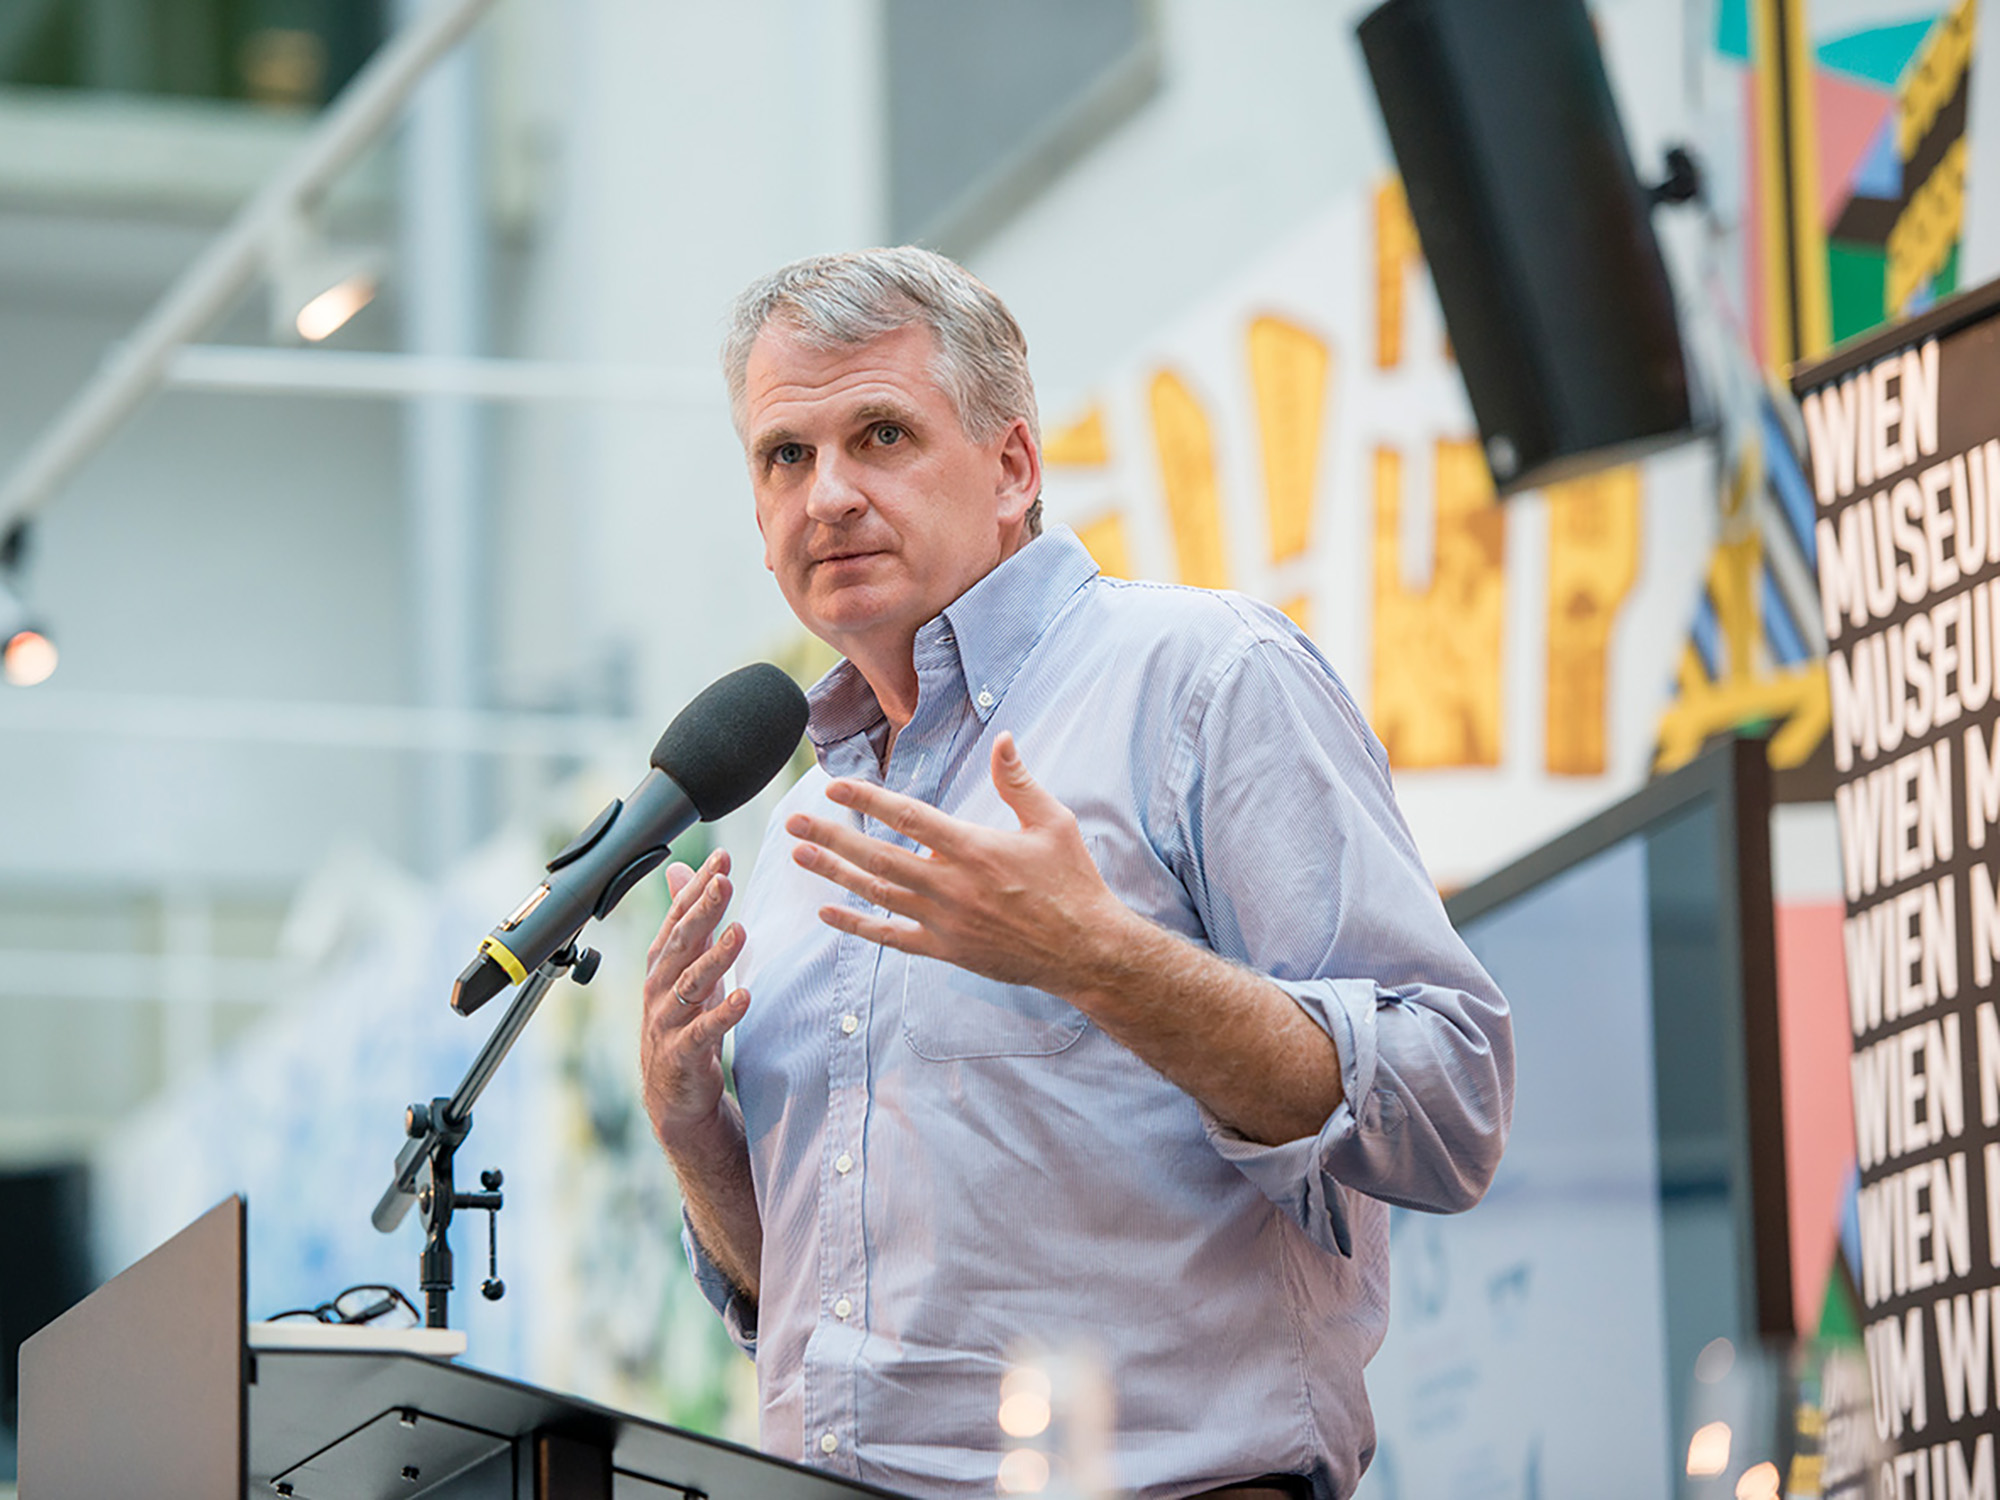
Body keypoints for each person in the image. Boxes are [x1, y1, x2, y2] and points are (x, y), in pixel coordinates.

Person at [638, 247, 1513, 1500]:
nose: (824, 494)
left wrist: (1094, 960)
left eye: (879, 434)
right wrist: (695, 1135)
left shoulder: (1201, 680)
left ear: (1011, 468)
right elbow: (816, 1307)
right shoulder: (799, 835)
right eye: (784, 455)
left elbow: (1449, 1104)